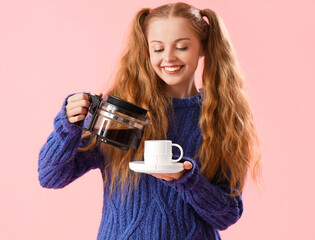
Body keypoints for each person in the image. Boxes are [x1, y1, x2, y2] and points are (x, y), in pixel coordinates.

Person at [38, 2, 261, 240]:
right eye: (157, 49)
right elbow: (51, 176)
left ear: (203, 47)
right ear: (146, 50)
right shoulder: (122, 113)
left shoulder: (223, 118)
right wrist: (68, 126)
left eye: (182, 47)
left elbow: (227, 214)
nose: (169, 58)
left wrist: (187, 179)